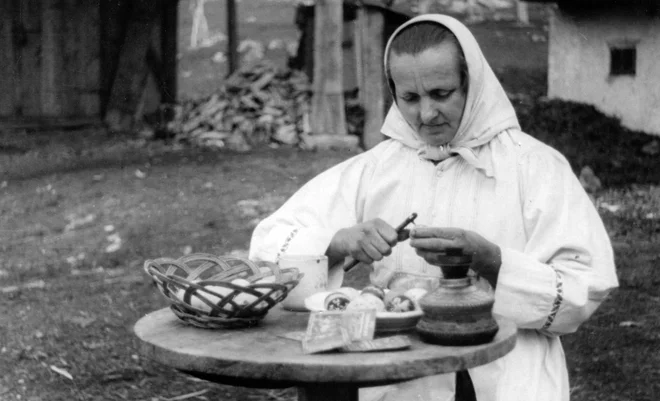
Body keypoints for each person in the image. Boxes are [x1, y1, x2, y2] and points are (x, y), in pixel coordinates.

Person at [249, 14, 618, 401]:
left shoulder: (535, 167)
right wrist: (339, 242)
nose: (426, 115)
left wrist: (493, 262)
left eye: (441, 94)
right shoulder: (379, 166)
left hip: (502, 374)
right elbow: (267, 248)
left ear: (471, 84)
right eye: (409, 98)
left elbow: (585, 287)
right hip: (397, 377)